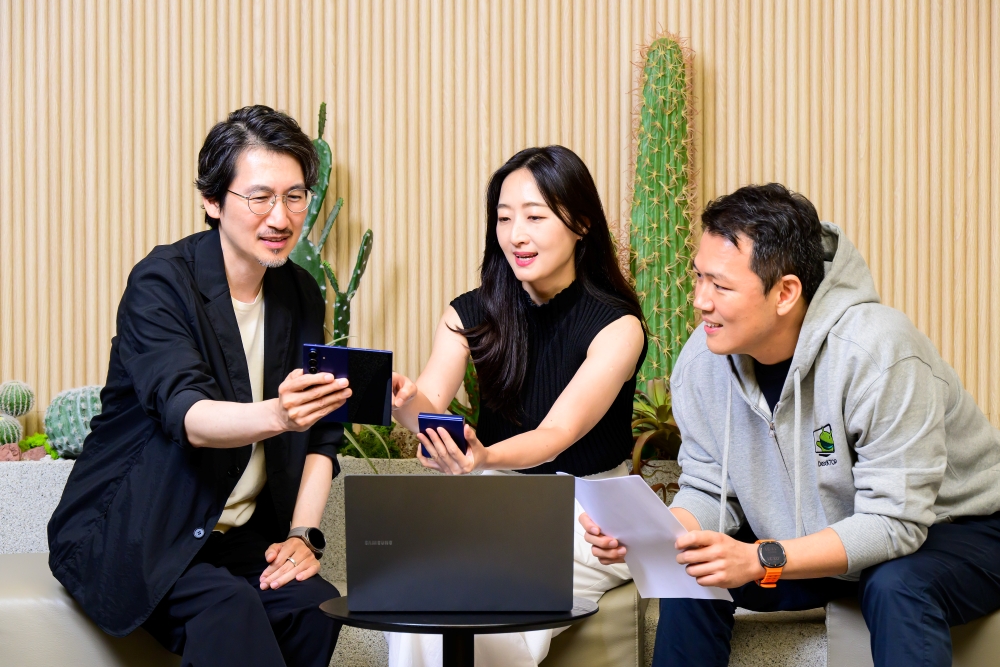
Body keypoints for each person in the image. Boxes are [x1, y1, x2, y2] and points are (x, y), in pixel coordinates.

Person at [581, 183, 1000, 667]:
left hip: (956, 529)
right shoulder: (702, 361)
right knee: (697, 570)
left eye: (720, 286)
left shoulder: (877, 353)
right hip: (811, 539)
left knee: (895, 583)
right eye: (698, 277)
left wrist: (762, 558)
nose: (700, 301)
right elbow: (710, 487)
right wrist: (652, 533)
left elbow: (896, 524)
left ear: (785, 293)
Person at [48, 105, 354, 667]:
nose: (281, 217)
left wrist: (302, 534)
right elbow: (187, 413)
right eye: (260, 197)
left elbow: (323, 435)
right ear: (213, 201)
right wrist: (279, 415)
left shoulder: (301, 294)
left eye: (294, 196)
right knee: (228, 608)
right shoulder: (161, 282)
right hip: (140, 527)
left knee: (314, 605)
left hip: (235, 537)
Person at [388, 145, 648, 667]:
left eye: (534, 217)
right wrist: (402, 401)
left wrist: (483, 456)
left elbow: (556, 435)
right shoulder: (469, 312)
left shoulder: (617, 326)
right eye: (504, 218)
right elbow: (430, 409)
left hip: (588, 511)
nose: (515, 235)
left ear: (581, 224)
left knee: (486, 593)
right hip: (494, 499)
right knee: (416, 589)